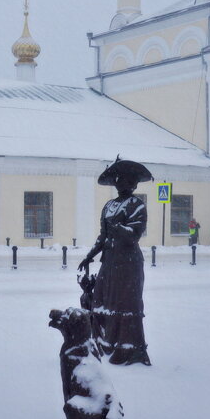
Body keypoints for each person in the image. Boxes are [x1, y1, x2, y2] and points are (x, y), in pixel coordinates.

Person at [78, 157, 152, 366]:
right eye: (118, 180)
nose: (120, 183)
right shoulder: (109, 205)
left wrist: (118, 227)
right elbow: (103, 236)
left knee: (125, 303)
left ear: (133, 183)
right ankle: (106, 343)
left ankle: (127, 348)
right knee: (102, 301)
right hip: (109, 262)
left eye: (125, 180)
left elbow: (134, 235)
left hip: (128, 264)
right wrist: (89, 256)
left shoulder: (137, 205)